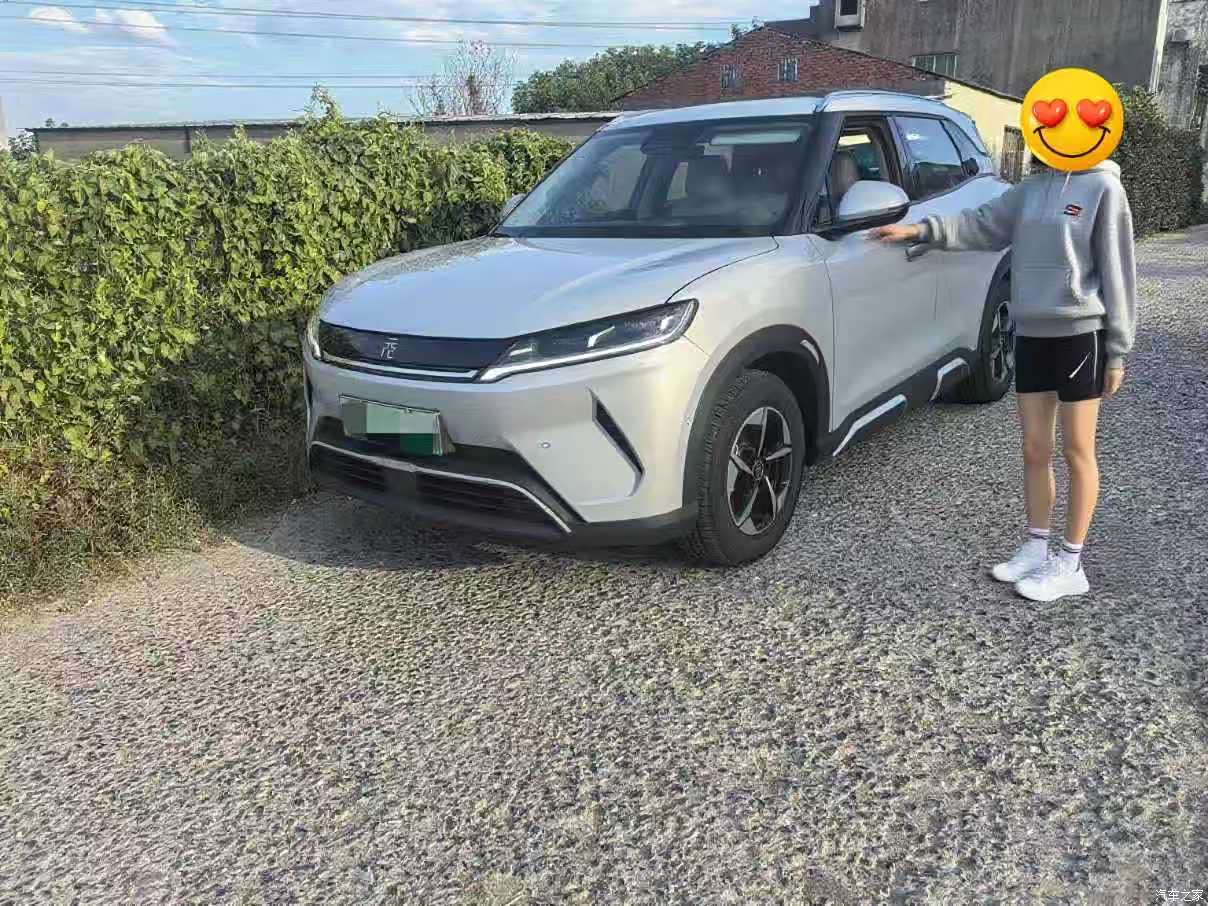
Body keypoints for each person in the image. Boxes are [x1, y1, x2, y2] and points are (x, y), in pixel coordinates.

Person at [870, 160, 1137, 602]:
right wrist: (918, 230)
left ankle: (1071, 564)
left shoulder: (1104, 189)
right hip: (1030, 332)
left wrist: (1118, 350)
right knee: (1035, 448)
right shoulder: (1030, 190)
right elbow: (979, 223)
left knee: (1077, 450)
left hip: (1080, 335)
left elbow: (1119, 269)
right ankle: (1037, 546)